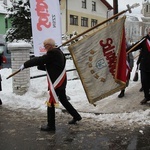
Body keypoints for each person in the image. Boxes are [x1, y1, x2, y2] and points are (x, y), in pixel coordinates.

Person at [19, 38, 82, 132]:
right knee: (63, 100)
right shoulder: (58, 52)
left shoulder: (53, 53)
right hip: (60, 81)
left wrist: (26, 64)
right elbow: (52, 66)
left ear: (49, 46)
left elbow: (40, 60)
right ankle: (76, 116)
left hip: (56, 83)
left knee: (51, 103)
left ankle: (51, 126)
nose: (44, 48)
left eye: (45, 46)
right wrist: (41, 65)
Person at [129, 28, 150, 105]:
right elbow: (135, 46)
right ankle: (146, 96)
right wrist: (126, 50)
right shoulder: (144, 40)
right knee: (144, 82)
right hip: (144, 65)